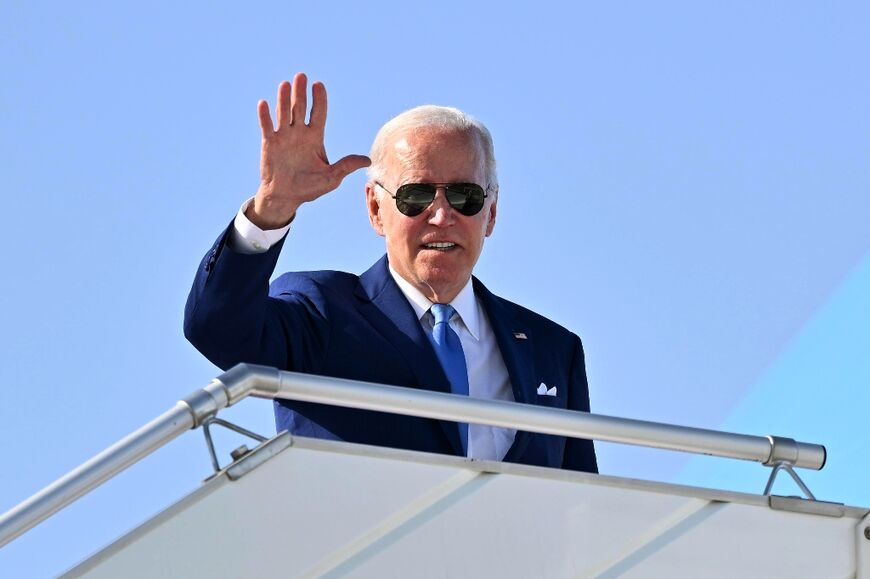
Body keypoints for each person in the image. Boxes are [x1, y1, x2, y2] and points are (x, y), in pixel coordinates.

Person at [184, 73, 597, 473]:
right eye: (416, 195)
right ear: (376, 209)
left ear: (491, 212)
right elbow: (216, 328)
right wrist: (272, 208)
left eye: (465, 196)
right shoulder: (324, 312)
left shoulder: (552, 349)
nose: (441, 215)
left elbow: (580, 505)